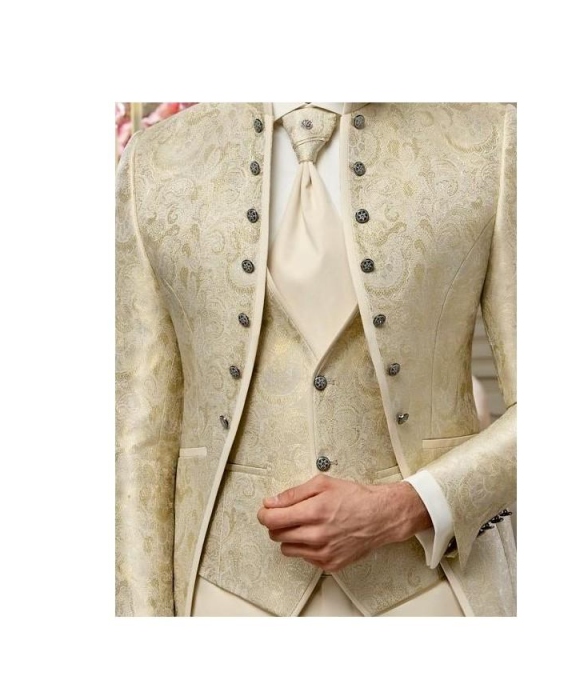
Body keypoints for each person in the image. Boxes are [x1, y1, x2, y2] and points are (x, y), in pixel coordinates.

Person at [115, 102, 516, 617]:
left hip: (438, 589)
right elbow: (136, 438)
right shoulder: (154, 162)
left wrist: (412, 505)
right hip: (223, 595)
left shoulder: (491, 141)